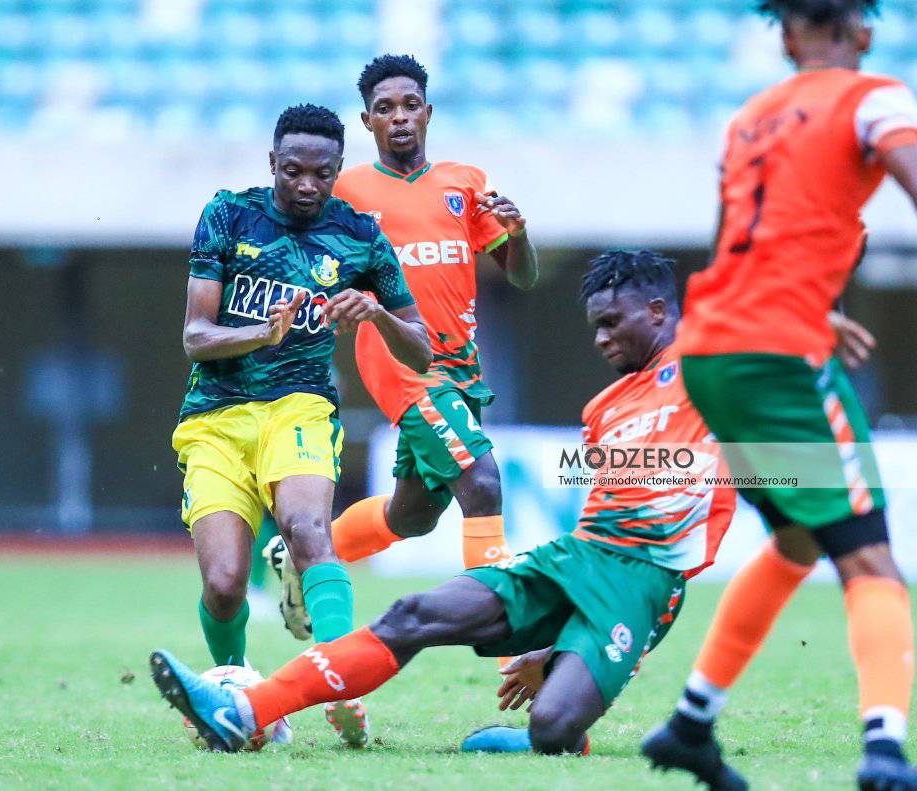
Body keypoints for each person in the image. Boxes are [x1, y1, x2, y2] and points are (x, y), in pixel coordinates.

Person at [148, 250, 738, 756]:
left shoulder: (713, 372)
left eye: (612, 323)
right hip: (576, 558)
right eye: (596, 327)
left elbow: (769, 471)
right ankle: (244, 712)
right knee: (412, 615)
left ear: (658, 312)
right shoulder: (604, 409)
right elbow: (606, 511)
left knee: (554, 727)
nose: (601, 338)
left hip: (643, 585)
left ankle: (558, 732)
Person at [639, 3, 917, 789]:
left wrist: (811, 304)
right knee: (871, 560)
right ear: (864, 30)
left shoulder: (749, 117)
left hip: (714, 347)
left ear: (787, 35)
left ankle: (691, 724)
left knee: (799, 539)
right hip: (777, 356)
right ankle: (886, 749)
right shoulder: (876, 96)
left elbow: (738, 238)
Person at [173, 102, 430, 747]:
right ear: (273, 164)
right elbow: (196, 337)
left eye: (323, 173)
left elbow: (422, 349)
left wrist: (376, 313)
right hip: (216, 417)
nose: (308, 185)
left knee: (310, 528)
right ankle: (233, 677)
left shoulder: (361, 236)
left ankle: (338, 679)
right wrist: (265, 330)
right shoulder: (228, 215)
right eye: (294, 171)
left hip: (302, 405)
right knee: (226, 585)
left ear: (340, 170)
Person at [265, 55, 539, 642]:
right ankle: (504, 627)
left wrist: (519, 234)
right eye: (385, 109)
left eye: (410, 105)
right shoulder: (347, 190)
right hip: (401, 363)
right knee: (483, 481)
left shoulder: (464, 182)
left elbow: (520, 277)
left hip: (462, 363)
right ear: (367, 121)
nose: (400, 118)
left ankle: (307, 553)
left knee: (413, 515)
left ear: (428, 112)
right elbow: (309, 258)